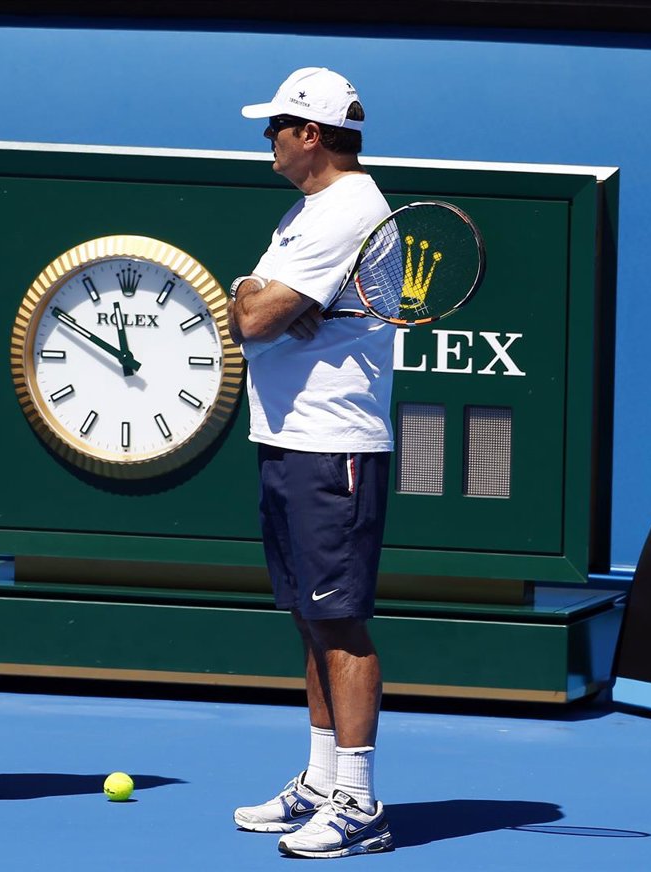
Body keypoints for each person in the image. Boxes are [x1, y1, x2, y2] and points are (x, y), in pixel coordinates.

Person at [225, 67, 396, 859]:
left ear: (311, 135)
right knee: (308, 616)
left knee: (339, 622)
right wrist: (260, 301)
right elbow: (254, 306)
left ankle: (358, 801)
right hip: (290, 437)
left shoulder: (348, 211)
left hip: (333, 445)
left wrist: (261, 301)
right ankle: (323, 781)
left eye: (277, 127)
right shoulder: (310, 210)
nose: (269, 138)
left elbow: (253, 315)